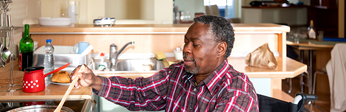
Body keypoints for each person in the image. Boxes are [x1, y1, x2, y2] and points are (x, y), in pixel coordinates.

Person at [71, 15, 259, 112]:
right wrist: (95, 81)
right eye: (186, 42)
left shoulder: (237, 91)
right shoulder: (178, 73)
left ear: (220, 49)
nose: (186, 49)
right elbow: (138, 92)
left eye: (196, 44)